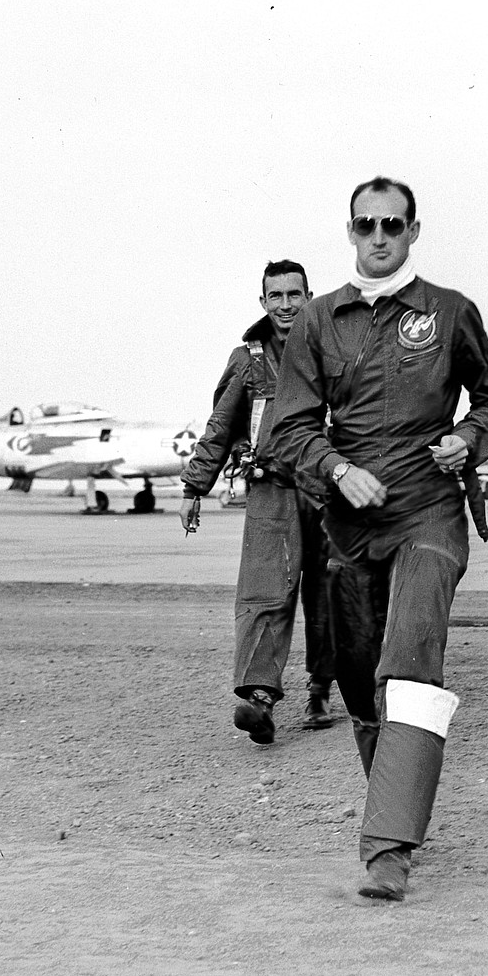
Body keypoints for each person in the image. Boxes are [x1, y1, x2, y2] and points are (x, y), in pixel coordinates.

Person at [267, 177, 488, 901]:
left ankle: (388, 849)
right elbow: (288, 425)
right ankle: (395, 798)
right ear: (350, 231)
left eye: (394, 225)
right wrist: (336, 468)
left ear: (414, 231)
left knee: (408, 659)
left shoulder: (450, 312)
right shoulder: (319, 320)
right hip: (348, 526)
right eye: (367, 225)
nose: (380, 237)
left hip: (427, 515)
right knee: (356, 676)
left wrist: (467, 437)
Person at [179, 260, 336, 743]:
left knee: (333, 594)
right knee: (264, 592)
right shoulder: (247, 359)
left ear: (309, 296)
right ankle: (259, 699)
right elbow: (220, 426)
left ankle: (321, 688)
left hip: (330, 493)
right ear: (263, 301)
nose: (286, 305)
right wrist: (193, 487)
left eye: (295, 294)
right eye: (276, 296)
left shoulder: (337, 351)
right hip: (272, 492)